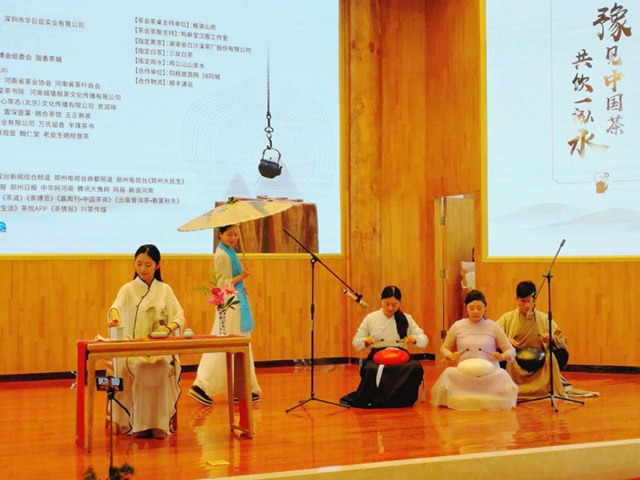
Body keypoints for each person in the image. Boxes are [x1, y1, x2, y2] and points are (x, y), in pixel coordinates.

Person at [107, 244, 185, 439]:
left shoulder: (165, 290)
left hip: (159, 348)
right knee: (141, 367)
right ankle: (140, 425)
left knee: (160, 366)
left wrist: (167, 328)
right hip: (134, 349)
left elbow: (179, 316)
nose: (143, 269)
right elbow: (115, 307)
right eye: (139, 263)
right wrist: (114, 316)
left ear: (157, 266)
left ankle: (159, 423)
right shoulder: (127, 289)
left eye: (148, 265)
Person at [189, 224, 262, 406]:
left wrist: (241, 285)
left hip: (234, 300)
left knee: (236, 344)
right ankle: (202, 385)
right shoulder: (222, 254)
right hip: (229, 305)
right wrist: (242, 276)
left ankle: (240, 388)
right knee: (227, 343)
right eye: (229, 234)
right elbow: (223, 284)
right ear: (220, 234)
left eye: (236, 234)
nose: (233, 238)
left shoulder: (229, 251)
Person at [496, 280, 594, 399]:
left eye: (529, 301)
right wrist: (506, 341)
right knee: (499, 354)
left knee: (562, 354)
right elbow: (493, 336)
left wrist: (551, 338)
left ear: (535, 299)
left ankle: (547, 384)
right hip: (516, 358)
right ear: (517, 299)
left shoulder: (544, 318)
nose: (527, 305)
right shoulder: (507, 318)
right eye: (523, 301)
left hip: (540, 358)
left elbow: (562, 340)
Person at [340, 285, 428, 408]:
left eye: (394, 305)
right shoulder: (371, 318)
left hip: (400, 354)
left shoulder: (407, 318)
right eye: (386, 304)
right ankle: (377, 399)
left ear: (399, 303)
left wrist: (415, 339)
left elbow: (424, 339)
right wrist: (365, 341)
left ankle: (405, 399)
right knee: (371, 369)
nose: (390, 308)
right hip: (378, 354)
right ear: (381, 300)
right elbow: (356, 341)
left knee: (415, 367)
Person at [430, 289, 518, 410]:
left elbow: (511, 350)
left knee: (502, 374)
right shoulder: (458, 326)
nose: (475, 311)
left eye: (479, 308)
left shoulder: (493, 326)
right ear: (466, 308)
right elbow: (444, 348)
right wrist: (449, 355)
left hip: (489, 374)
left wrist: (502, 356)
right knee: (448, 373)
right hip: (465, 374)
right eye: (471, 308)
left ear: (485, 308)